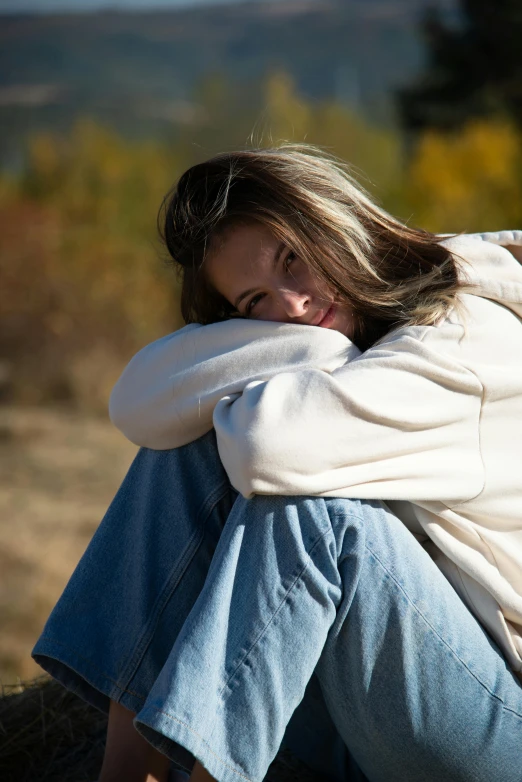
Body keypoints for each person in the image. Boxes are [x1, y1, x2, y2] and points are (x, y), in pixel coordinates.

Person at [33, 146, 522, 782]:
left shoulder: (463, 334)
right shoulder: (354, 331)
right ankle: (125, 774)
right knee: (188, 449)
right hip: (368, 710)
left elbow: (270, 446)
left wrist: (278, 346)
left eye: (292, 258)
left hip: (493, 722)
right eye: (254, 300)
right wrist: (313, 342)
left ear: (334, 220)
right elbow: (138, 402)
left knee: (318, 514)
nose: (291, 304)